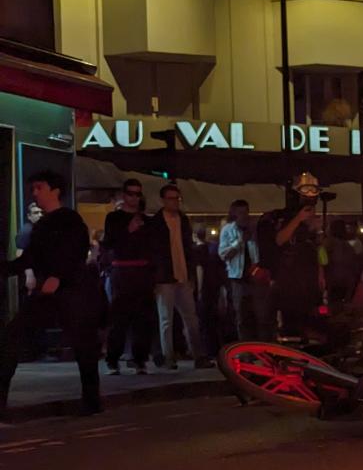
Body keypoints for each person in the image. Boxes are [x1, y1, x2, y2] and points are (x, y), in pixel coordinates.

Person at [0, 170, 102, 418]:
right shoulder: (42, 225)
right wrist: (7, 269)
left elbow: (76, 253)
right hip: (48, 293)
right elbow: (30, 258)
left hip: (71, 293)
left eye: (39, 188)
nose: (35, 194)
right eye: (34, 189)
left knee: (83, 345)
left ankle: (91, 401)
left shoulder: (70, 220)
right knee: (10, 339)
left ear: (55, 191)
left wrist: (59, 276)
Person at [148, 183, 208, 370]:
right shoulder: (157, 223)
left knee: (190, 318)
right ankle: (169, 357)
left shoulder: (182, 220)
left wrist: (189, 274)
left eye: (177, 198)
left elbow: (187, 248)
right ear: (164, 200)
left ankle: (196, 355)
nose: (175, 202)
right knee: (167, 318)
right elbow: (155, 252)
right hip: (166, 276)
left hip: (180, 275)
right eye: (172, 198)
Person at [257, 172, 323, 337]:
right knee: (289, 322)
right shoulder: (282, 218)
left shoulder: (309, 225)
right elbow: (279, 240)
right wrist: (299, 219)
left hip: (308, 279)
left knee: (310, 320)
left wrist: (321, 272)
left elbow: (316, 248)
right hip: (287, 278)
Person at [101, 179, 154, 374]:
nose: (134, 197)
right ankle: (113, 360)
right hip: (122, 271)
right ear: (124, 195)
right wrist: (128, 231)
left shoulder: (147, 221)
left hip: (141, 272)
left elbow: (152, 248)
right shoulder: (114, 219)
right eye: (131, 193)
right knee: (119, 318)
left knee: (143, 319)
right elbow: (109, 244)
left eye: (137, 194)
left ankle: (140, 359)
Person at [218, 199, 269, 340]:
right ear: (234, 213)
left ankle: (262, 348)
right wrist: (239, 242)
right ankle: (244, 349)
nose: (244, 215)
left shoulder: (254, 228)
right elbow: (223, 254)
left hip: (256, 277)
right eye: (240, 212)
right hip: (238, 278)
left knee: (261, 316)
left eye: (246, 212)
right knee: (241, 316)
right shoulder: (228, 230)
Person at [194, 225, 227, 353]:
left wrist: (199, 290)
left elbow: (199, 271)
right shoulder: (213, 250)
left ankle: (206, 349)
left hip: (205, 289)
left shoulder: (197, 250)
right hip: (214, 288)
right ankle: (214, 348)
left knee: (204, 320)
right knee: (213, 320)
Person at [324, 219, 362, 305]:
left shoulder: (328, 243)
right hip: (347, 284)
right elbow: (355, 268)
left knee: (330, 309)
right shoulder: (349, 247)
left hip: (332, 282)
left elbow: (322, 261)